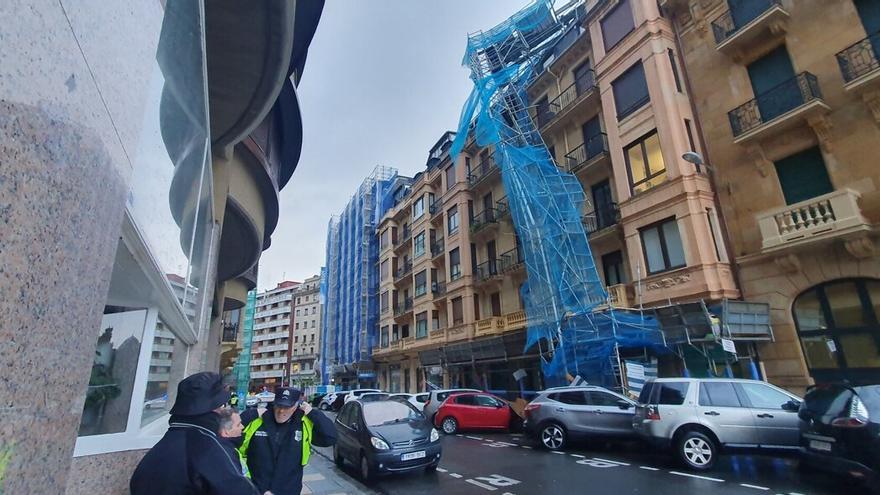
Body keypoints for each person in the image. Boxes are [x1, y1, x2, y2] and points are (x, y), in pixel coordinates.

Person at [130, 372, 259, 495]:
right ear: (213, 407)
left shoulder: (160, 449)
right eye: (222, 405)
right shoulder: (209, 448)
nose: (224, 409)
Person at [239, 386, 337, 495]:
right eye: (279, 405)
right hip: (256, 490)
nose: (281, 411)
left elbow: (330, 438)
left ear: (296, 406)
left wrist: (312, 413)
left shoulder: (303, 423)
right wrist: (251, 414)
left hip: (288, 490)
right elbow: (228, 438)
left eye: (287, 407)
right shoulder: (258, 419)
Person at [217, 407, 249, 479]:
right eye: (238, 424)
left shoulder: (229, 448)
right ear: (226, 432)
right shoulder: (226, 455)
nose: (242, 426)